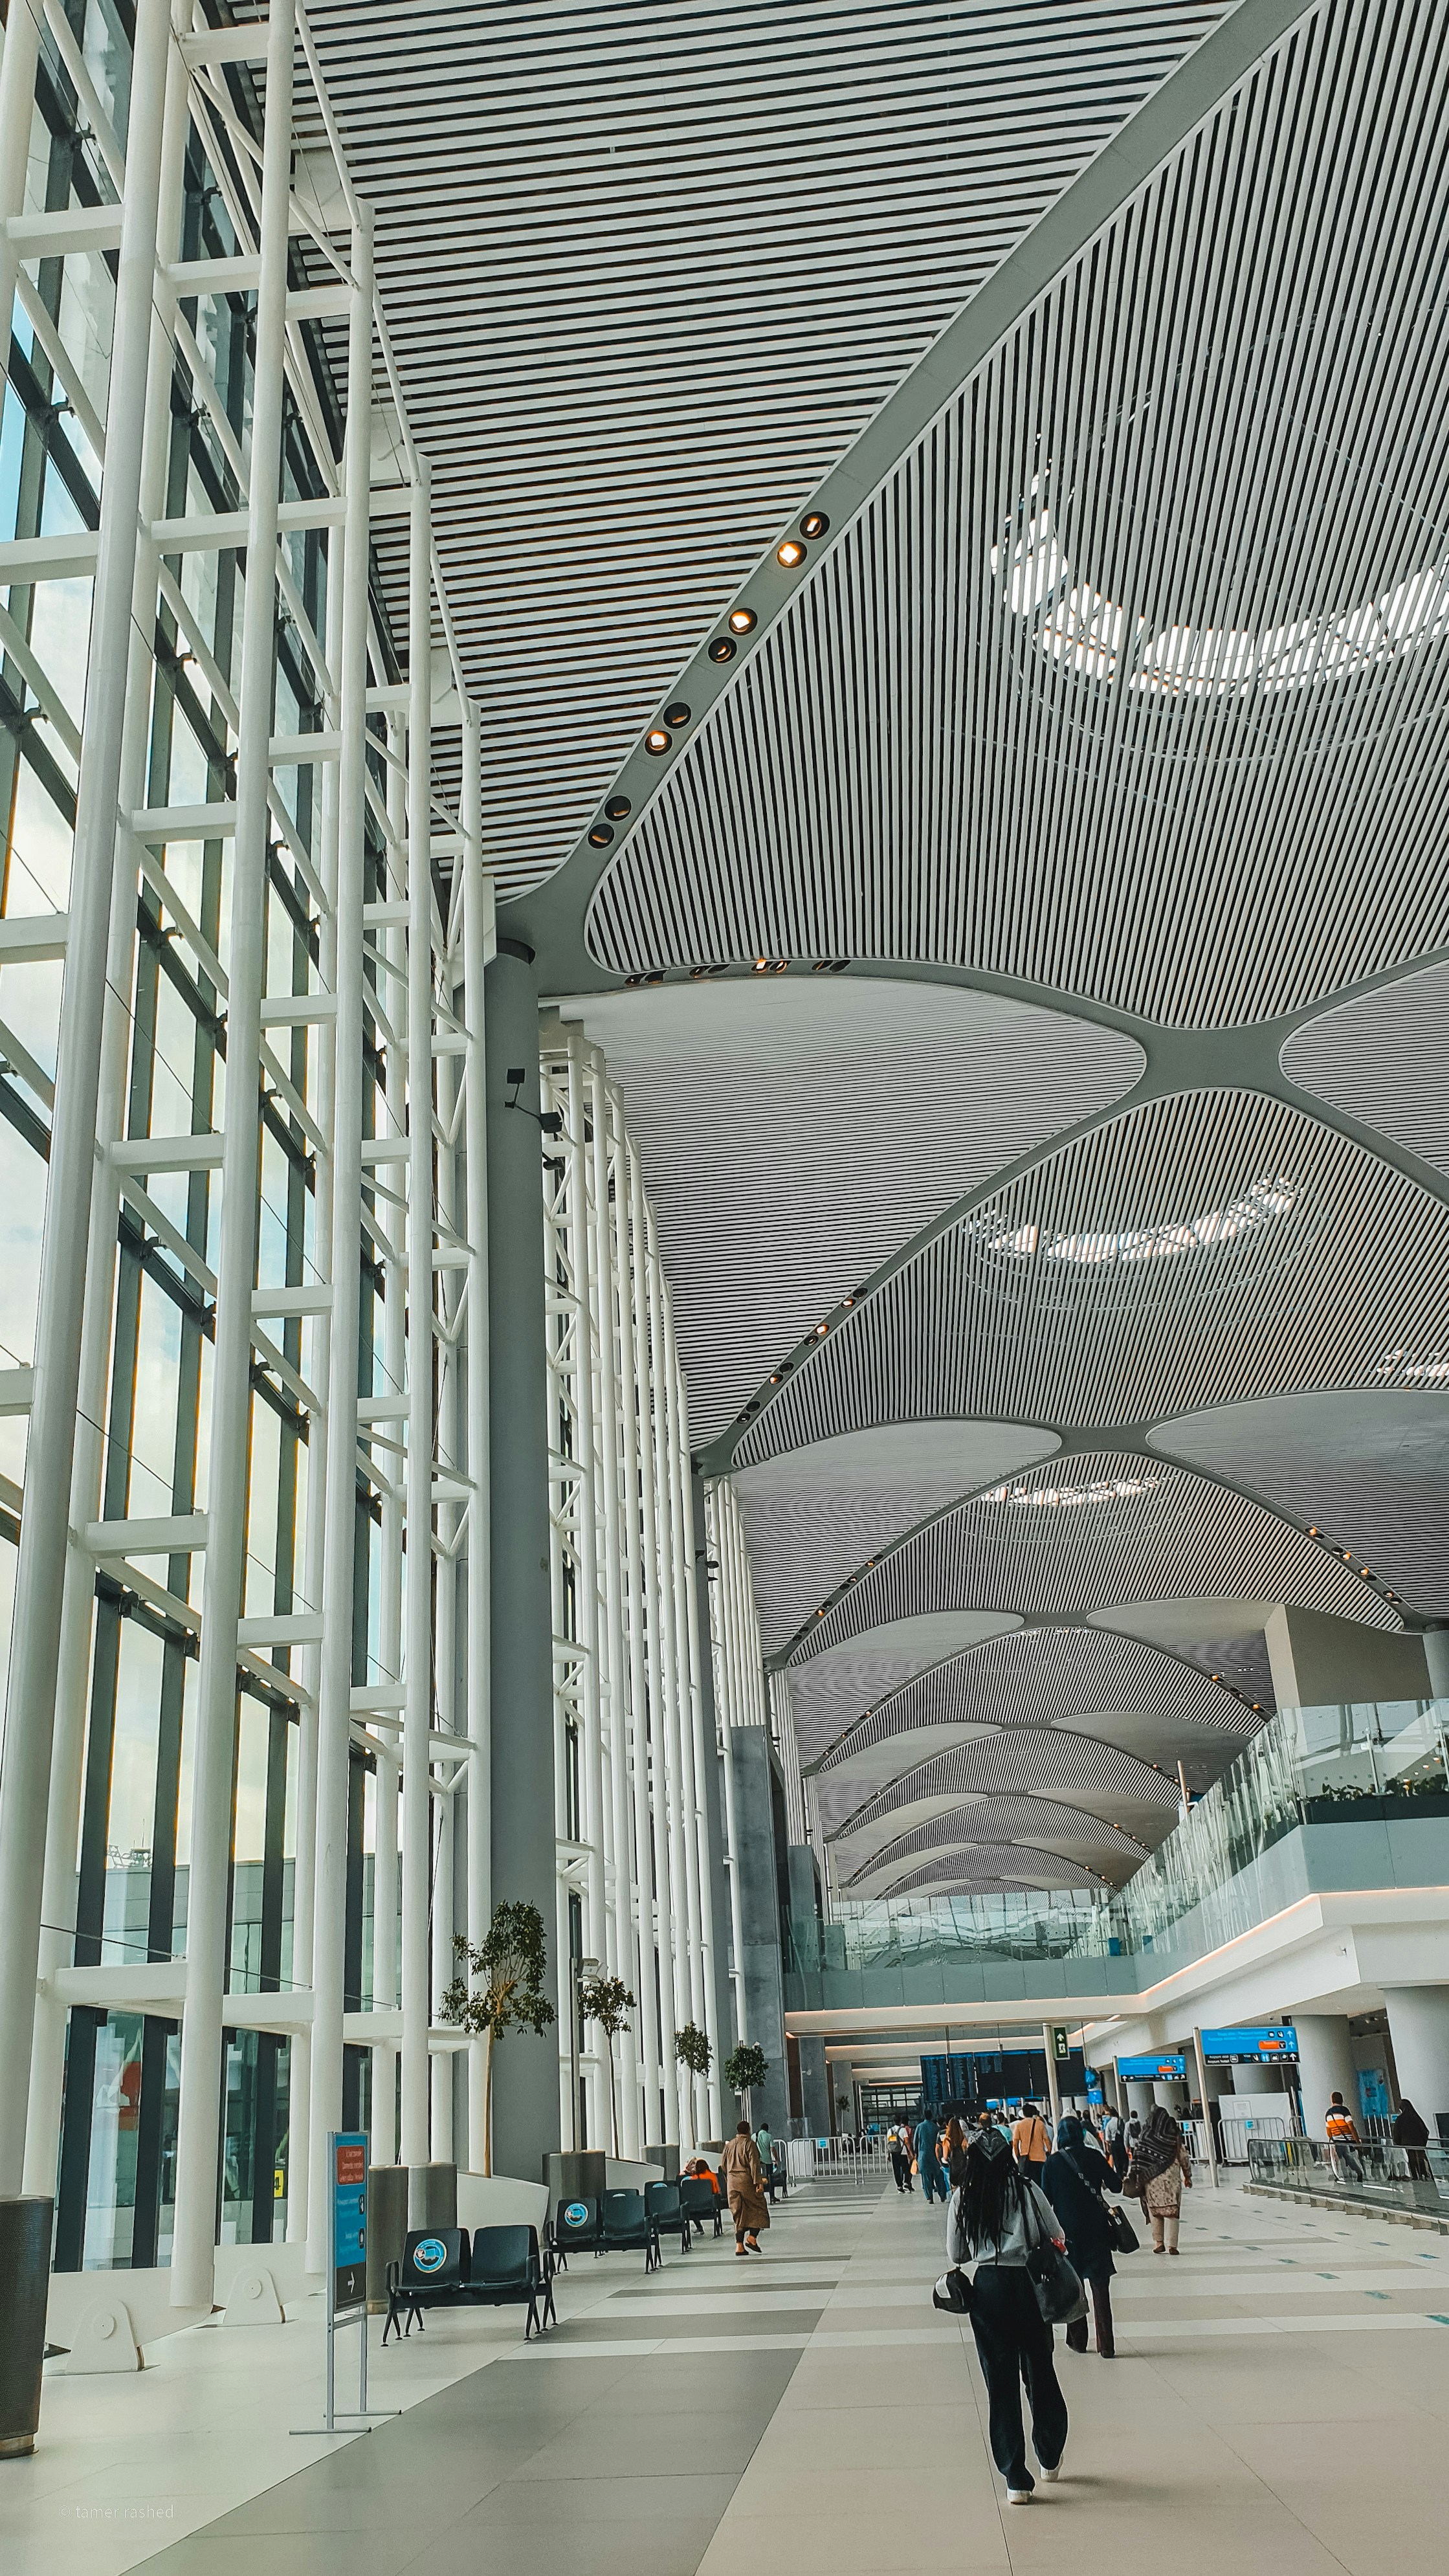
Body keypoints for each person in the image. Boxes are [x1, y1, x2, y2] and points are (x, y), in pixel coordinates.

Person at [947, 2123, 1070, 2504]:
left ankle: (1016, 2478)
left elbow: (956, 2255)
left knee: (999, 2383)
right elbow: (1058, 2234)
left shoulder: (964, 2197)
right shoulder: (1028, 2190)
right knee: (1039, 2369)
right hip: (1030, 2287)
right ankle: (1049, 2454)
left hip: (988, 2292)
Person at [1041, 2113, 1116, 2359]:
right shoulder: (1094, 2156)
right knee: (1100, 2287)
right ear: (1082, 2135)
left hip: (1068, 2233)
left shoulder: (1052, 2163)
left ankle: (1078, 2339)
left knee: (1074, 2287)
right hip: (1097, 2230)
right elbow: (1115, 2185)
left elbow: (1047, 2199)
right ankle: (1106, 2344)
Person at [1126, 2104, 1193, 2254]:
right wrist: (1187, 2176)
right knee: (1172, 2212)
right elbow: (1183, 2156)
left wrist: (1136, 2175)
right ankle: (1172, 2246)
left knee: (1155, 2211)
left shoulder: (1146, 2134)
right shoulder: (1173, 2134)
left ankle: (1158, 2242)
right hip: (1172, 2179)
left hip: (1152, 2180)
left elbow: (1139, 2156)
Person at [723, 2120, 769, 2256]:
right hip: (746, 2182)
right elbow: (754, 2165)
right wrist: (758, 2182)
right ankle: (752, 2238)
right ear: (748, 2130)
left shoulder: (729, 2145)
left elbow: (723, 2165)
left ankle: (739, 2246)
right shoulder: (749, 2144)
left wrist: (730, 2178)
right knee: (759, 2208)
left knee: (739, 2213)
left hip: (731, 2183)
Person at [1325, 2091, 1364, 2182]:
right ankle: (1359, 2173)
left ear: (1332, 2100)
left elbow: (1329, 2131)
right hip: (1347, 2140)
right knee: (1350, 2157)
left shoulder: (1328, 2114)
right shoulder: (1344, 2111)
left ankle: (1343, 2177)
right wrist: (1357, 2142)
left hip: (1337, 2141)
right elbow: (1351, 2127)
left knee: (1341, 2159)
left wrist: (1334, 2137)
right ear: (1342, 2100)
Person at [1391, 2097, 1431, 2181]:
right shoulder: (1415, 2117)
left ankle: (1416, 2177)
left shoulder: (1401, 2119)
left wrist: (1399, 2143)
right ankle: (1426, 2175)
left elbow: (1397, 2134)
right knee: (1422, 2159)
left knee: (1412, 2160)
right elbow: (1425, 2131)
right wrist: (1423, 2143)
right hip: (1419, 2145)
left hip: (1408, 2145)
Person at [914, 2109, 947, 2203]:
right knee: (939, 2176)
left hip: (923, 2156)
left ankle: (929, 2198)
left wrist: (916, 2155)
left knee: (926, 2178)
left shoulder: (919, 2127)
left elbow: (915, 2143)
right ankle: (942, 2195)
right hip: (935, 2156)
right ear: (932, 2116)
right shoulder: (936, 2128)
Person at [1012, 2100, 1051, 2175]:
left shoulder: (1019, 2125)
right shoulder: (1040, 2124)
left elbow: (1015, 2144)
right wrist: (1049, 2153)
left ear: (1023, 2114)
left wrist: (1019, 2158)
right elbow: (1047, 2141)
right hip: (1040, 2159)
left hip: (1026, 2159)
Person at [942, 2113, 969, 2188]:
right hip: (963, 2169)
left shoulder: (947, 2141)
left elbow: (945, 2157)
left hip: (953, 2170)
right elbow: (966, 2151)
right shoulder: (963, 2139)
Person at [889, 2127, 911, 2192]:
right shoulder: (903, 2130)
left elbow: (889, 2143)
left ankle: (899, 2186)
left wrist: (888, 2154)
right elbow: (907, 2141)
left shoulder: (890, 2131)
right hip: (903, 2152)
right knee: (906, 2169)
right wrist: (910, 2151)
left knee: (896, 2170)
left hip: (894, 2152)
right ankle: (906, 2183)